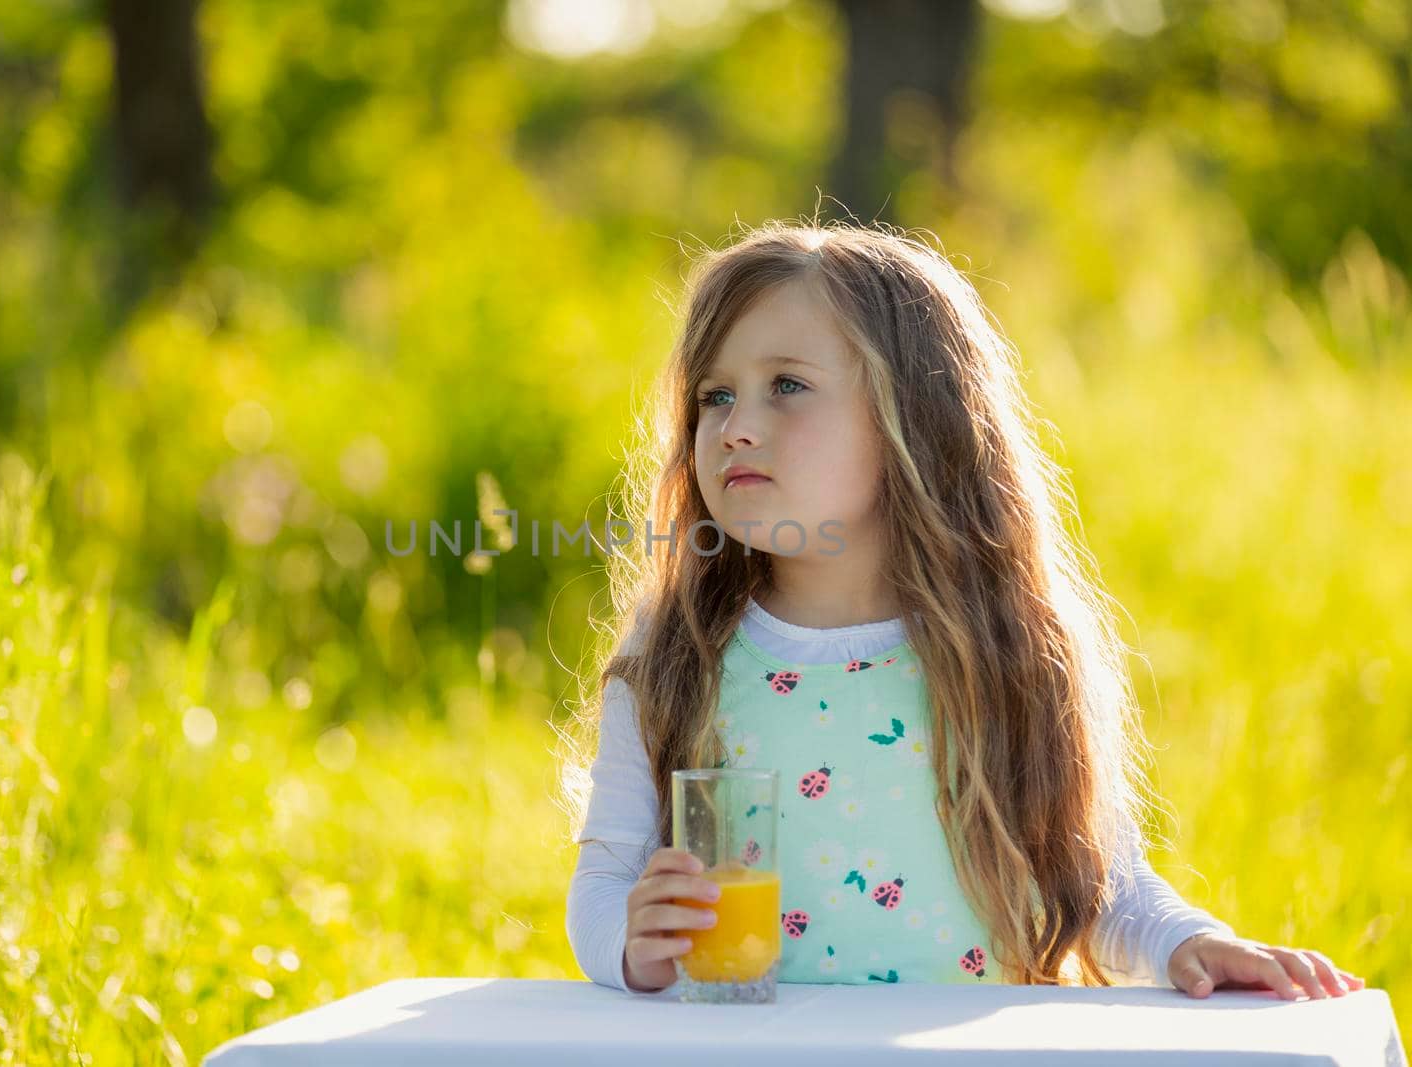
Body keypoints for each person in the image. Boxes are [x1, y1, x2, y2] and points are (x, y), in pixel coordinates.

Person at [559, 218, 1367, 1000]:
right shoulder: (677, 653)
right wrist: (634, 941)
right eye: (716, 395)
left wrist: (1190, 940)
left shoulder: (1009, 647)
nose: (736, 427)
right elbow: (600, 888)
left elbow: (1101, 881)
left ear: (916, 416)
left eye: (788, 386)